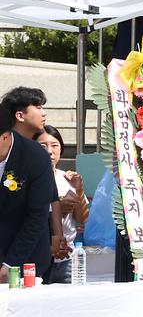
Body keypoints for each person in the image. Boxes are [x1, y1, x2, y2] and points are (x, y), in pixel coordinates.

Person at [1, 87, 68, 264]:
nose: (43, 113)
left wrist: (57, 235)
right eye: (37, 107)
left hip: (31, 251)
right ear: (20, 115)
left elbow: (51, 198)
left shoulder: (38, 155)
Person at [0, 102, 55, 283]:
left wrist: (10, 265)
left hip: (26, 258)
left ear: (5, 136)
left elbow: (36, 216)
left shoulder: (35, 158)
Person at [34, 125, 89, 284]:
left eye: (54, 145)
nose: (49, 151)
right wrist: (57, 209)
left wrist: (78, 189)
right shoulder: (27, 180)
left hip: (68, 258)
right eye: (42, 146)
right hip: (38, 257)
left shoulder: (67, 178)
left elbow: (81, 218)